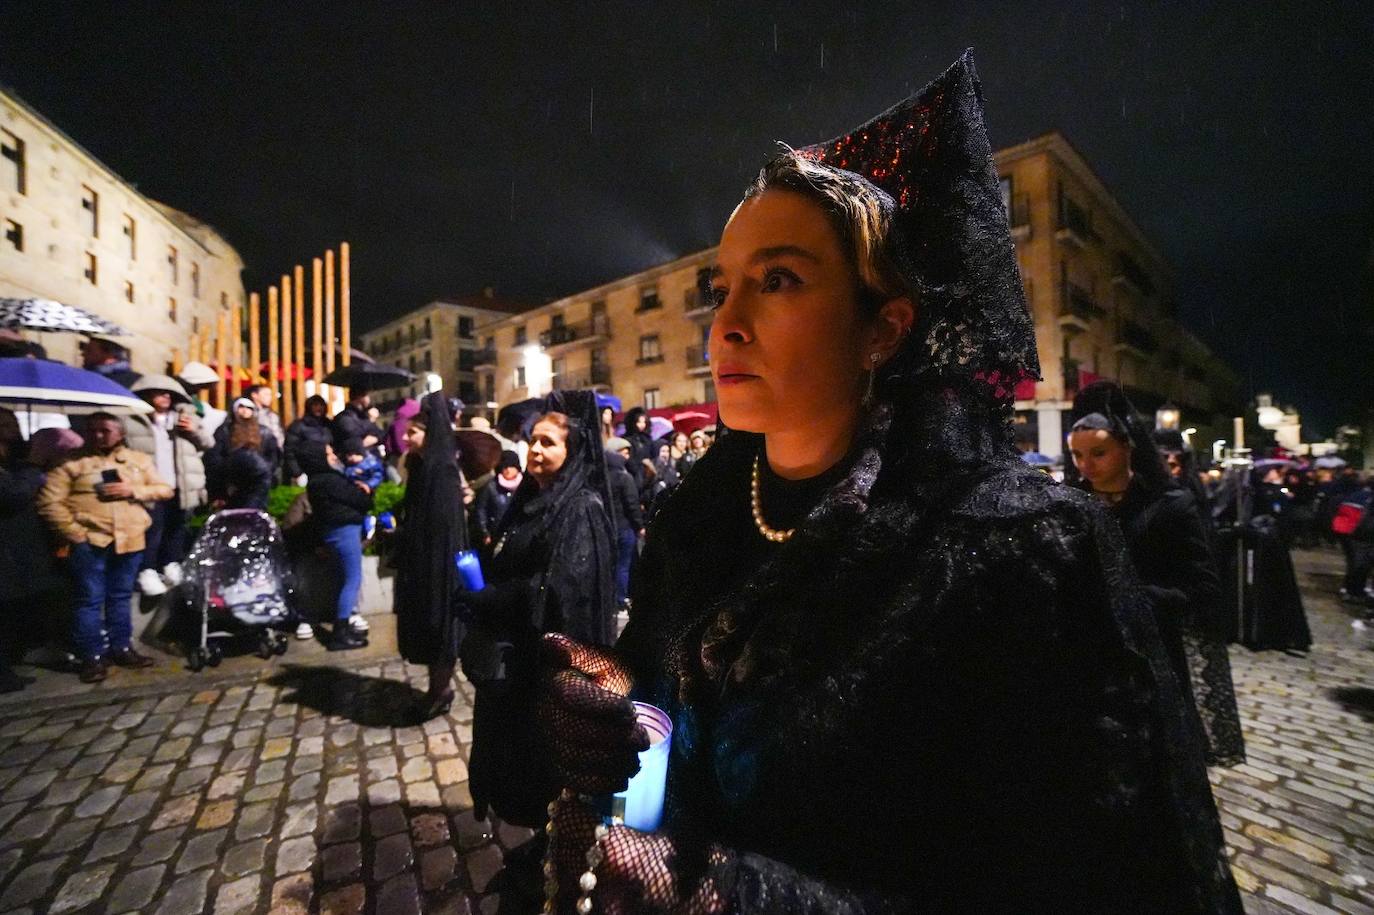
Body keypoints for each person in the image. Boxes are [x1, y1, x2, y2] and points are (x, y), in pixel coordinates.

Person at [535, 55, 1241, 913]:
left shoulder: (1013, 549)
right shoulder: (700, 517)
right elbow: (661, 698)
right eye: (723, 288)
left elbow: (1075, 879)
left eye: (779, 280)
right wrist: (612, 704)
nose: (726, 324)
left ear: (885, 328)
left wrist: (742, 898)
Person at [458, 391, 616, 844]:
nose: (535, 450)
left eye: (548, 442)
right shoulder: (531, 498)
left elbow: (565, 595)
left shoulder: (581, 507)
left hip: (543, 671)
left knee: (542, 774)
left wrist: (495, 599)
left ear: (572, 452)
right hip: (514, 667)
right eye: (533, 441)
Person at [1068, 383, 1245, 768]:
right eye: (1077, 455)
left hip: (1151, 657)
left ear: (1127, 448)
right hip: (1087, 658)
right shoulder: (1072, 506)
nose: (1086, 466)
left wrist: (1139, 598)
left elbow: (1202, 588)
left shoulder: (1170, 507)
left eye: (1098, 453)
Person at [37, 412, 172, 682]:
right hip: (90, 541)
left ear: (120, 433)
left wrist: (133, 490)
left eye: (105, 430)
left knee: (120, 596)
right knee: (89, 598)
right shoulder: (71, 463)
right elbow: (49, 502)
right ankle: (92, 656)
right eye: (93, 430)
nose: (98, 435)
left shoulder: (138, 460)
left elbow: (163, 489)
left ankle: (121, 647)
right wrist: (74, 533)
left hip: (130, 539)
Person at [391, 394, 469, 718]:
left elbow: (443, 526)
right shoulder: (420, 465)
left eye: (413, 432)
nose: (406, 438)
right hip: (422, 561)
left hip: (440, 564)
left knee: (441, 627)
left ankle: (440, 691)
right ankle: (436, 689)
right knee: (427, 625)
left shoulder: (444, 470)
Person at [125, 374, 213, 596]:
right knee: (152, 528)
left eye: (169, 393)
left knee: (177, 525)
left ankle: (171, 563)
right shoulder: (132, 418)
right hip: (149, 484)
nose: (165, 397)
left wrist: (193, 430)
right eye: (159, 392)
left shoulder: (186, 416)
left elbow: (208, 443)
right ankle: (147, 570)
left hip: (180, 482)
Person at [0, 432, 66, 692]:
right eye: (6, 427)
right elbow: (14, 495)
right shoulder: (22, 467)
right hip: (7, 549)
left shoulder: (12, 462)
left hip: (20, 548)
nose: (14, 433)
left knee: (16, 608)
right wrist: (34, 464)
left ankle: (14, 659)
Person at [297, 440, 372, 650]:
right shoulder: (331, 480)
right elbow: (361, 501)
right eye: (329, 454)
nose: (334, 458)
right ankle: (340, 631)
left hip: (333, 532)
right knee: (352, 579)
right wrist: (365, 492)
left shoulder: (315, 482)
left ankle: (343, 627)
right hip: (345, 531)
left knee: (344, 578)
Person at [207, 398, 281, 510]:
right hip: (231, 482)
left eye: (249, 408)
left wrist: (265, 470)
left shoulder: (265, 432)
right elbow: (215, 457)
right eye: (241, 407)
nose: (245, 410)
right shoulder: (224, 430)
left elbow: (273, 456)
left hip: (258, 481)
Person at [603, 438, 645, 610]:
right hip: (624, 527)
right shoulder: (624, 477)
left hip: (606, 527)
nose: (627, 455)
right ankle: (621, 599)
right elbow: (632, 504)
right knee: (623, 566)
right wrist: (640, 526)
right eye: (623, 452)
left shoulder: (601, 478)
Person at [473, 450, 522, 549]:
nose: (508, 469)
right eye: (505, 466)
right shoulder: (491, 487)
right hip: (493, 535)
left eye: (512, 466)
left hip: (512, 537)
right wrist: (484, 533)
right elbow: (481, 510)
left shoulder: (524, 487)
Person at [283, 394, 334, 483]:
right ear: (309, 407)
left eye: (321, 405)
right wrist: (297, 473)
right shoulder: (298, 426)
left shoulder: (329, 425)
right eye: (315, 405)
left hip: (328, 468)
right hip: (307, 470)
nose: (319, 408)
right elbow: (289, 451)